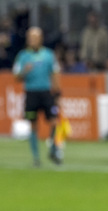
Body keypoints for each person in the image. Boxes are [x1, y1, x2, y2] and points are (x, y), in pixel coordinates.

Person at [13, 27, 62, 166]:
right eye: (30, 37)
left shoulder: (48, 55)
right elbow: (16, 77)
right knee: (32, 125)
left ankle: (53, 149)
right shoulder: (22, 56)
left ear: (40, 39)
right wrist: (24, 71)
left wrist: (57, 94)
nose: (32, 40)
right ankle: (36, 158)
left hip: (46, 94)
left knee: (54, 122)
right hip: (31, 95)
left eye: (35, 37)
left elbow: (55, 73)